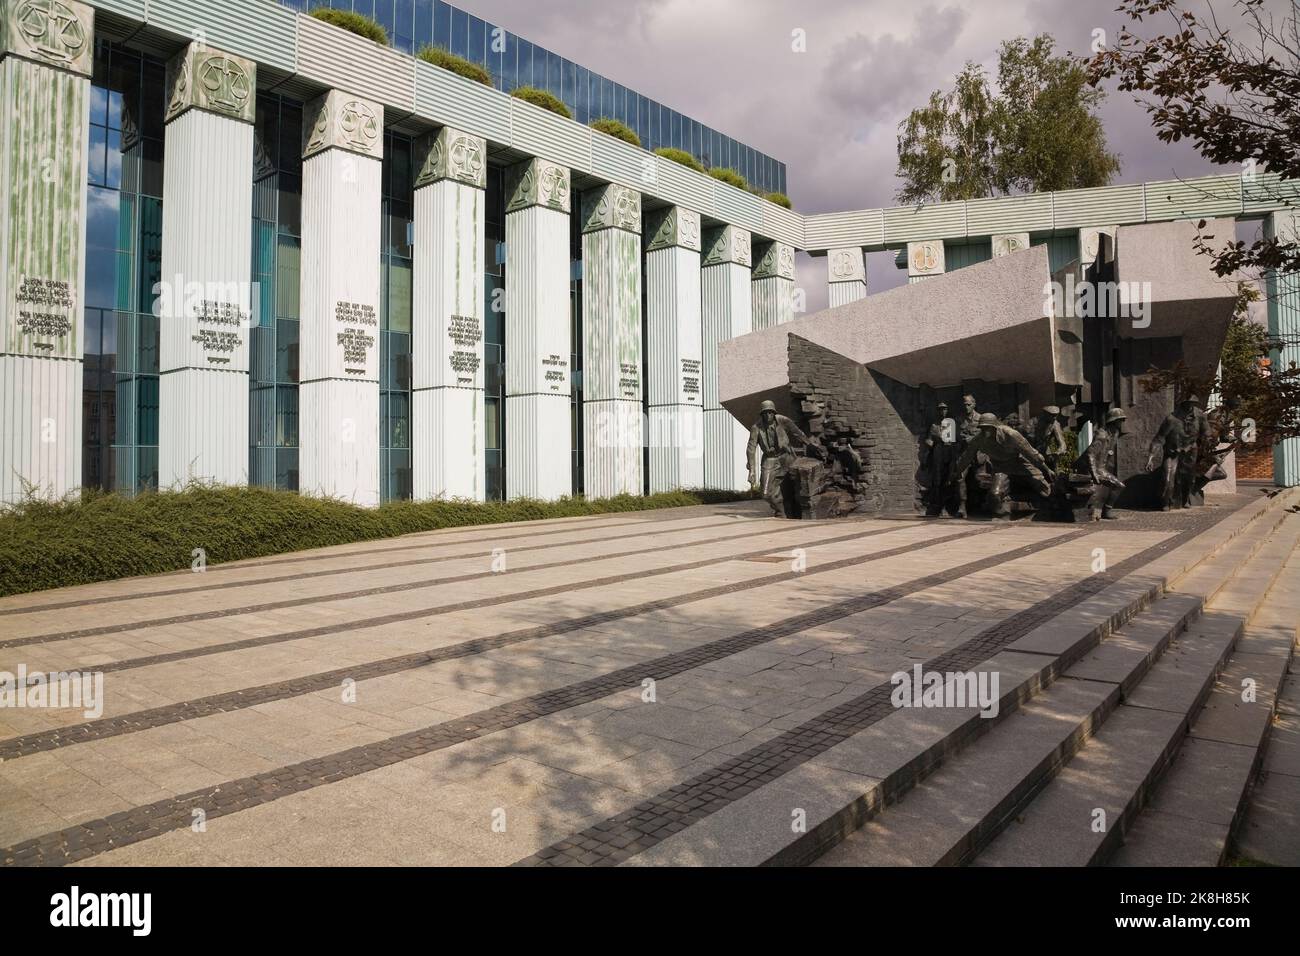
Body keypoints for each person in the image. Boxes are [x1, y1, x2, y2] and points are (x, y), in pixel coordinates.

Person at [951, 413, 1054, 519]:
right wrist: (957, 472)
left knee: (1044, 489)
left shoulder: (1011, 434)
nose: (985, 431)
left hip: (1020, 463)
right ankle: (1004, 514)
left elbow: (1031, 453)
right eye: (983, 428)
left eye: (988, 428)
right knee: (995, 494)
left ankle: (1046, 510)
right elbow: (966, 457)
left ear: (995, 427)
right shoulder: (979, 440)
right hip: (1001, 468)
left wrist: (1047, 469)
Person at [747, 400, 821, 517]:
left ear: (774, 412)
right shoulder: (756, 427)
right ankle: (780, 511)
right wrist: (752, 471)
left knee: (795, 485)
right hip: (769, 459)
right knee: (766, 493)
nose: (768, 415)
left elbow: (797, 432)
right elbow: (751, 449)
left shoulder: (782, 420)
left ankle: (794, 511)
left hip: (786, 456)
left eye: (770, 412)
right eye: (765, 413)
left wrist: (809, 444)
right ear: (761, 414)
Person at [1147, 394, 1211, 510]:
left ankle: (1185, 499)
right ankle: (1165, 502)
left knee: (1189, 478)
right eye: (1187, 404)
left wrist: (1207, 441)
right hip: (1172, 452)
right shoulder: (1171, 419)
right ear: (1182, 405)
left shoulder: (1200, 416)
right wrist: (1151, 457)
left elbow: (1207, 433)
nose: (1189, 406)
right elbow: (1159, 439)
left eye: (1192, 404)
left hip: (1190, 452)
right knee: (1167, 478)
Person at [1075, 408, 1127, 521]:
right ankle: (1105, 511)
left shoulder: (1114, 434)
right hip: (1089, 468)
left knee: (1119, 486)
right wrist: (1094, 474)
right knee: (1118, 486)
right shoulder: (1101, 435)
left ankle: (1106, 511)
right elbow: (1090, 454)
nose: (1122, 423)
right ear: (1113, 421)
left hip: (1100, 467)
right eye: (1120, 420)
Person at [920, 401, 958, 516]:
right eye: (940, 409)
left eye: (945, 409)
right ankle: (937, 505)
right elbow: (929, 439)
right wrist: (929, 442)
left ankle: (949, 506)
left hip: (949, 453)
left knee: (949, 478)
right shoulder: (934, 425)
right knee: (937, 479)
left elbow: (953, 440)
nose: (943, 411)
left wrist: (942, 438)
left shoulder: (951, 423)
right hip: (937, 453)